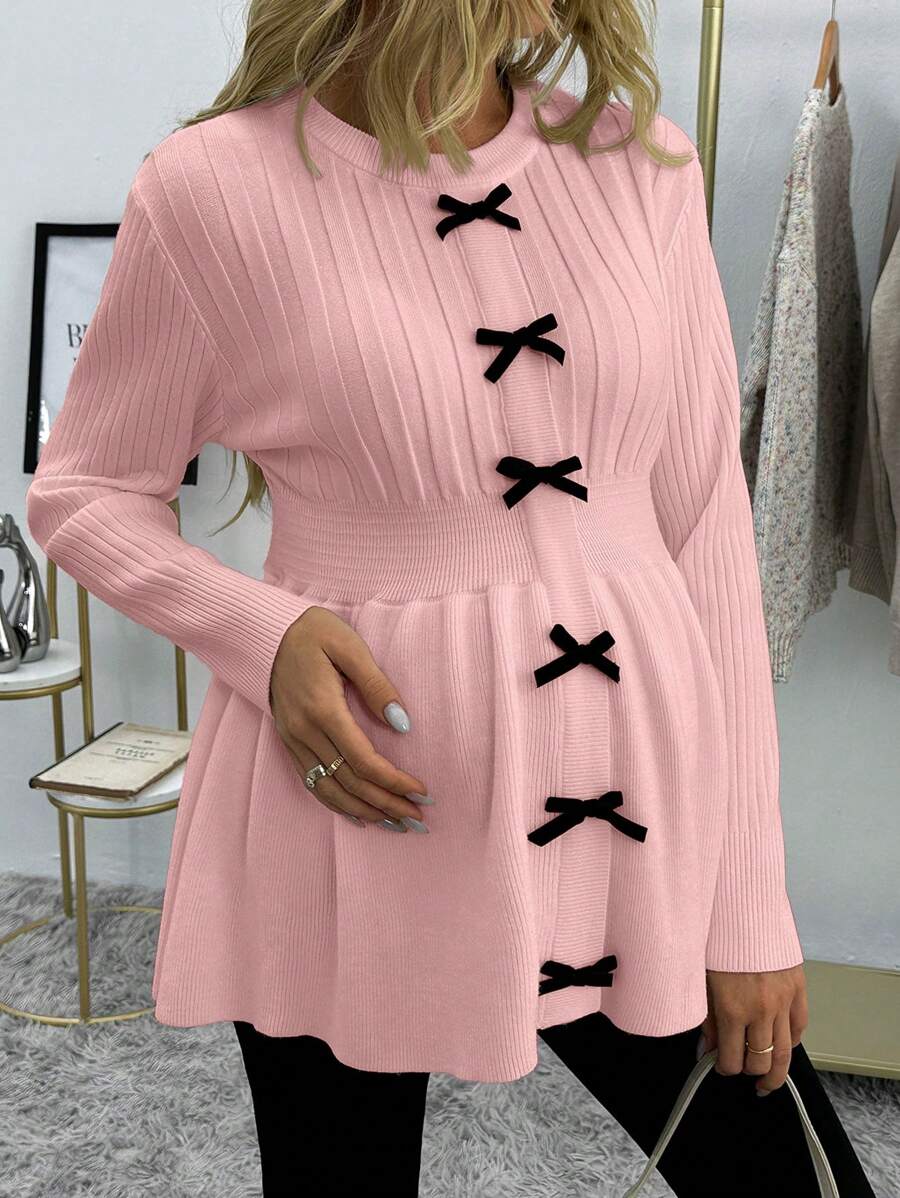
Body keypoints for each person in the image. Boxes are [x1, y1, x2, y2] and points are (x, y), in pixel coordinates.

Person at [25, 1, 877, 1195]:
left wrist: (749, 905)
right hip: (357, 804)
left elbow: (708, 534)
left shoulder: (641, 164)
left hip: (637, 806)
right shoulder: (211, 189)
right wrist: (261, 633)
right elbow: (86, 490)